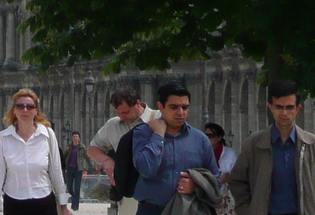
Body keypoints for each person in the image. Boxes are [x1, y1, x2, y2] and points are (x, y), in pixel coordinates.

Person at [227, 80, 315, 215]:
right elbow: (238, 181)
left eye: (289, 107)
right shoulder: (254, 144)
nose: (284, 113)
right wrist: (247, 211)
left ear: (298, 109)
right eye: (279, 107)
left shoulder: (312, 144)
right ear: (270, 107)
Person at [131, 83, 218, 215]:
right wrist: (158, 135)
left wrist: (196, 186)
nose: (180, 112)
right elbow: (146, 169)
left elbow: (215, 178)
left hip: (188, 209)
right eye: (174, 107)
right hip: (151, 210)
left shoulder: (200, 140)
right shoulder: (143, 134)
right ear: (161, 106)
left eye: (185, 107)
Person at [0, 90, 71, 215]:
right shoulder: (3, 138)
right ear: (14, 110)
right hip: (14, 202)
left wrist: (64, 207)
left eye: (30, 106)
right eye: (20, 106)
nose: (25, 110)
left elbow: (56, 172)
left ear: (36, 111)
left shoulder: (47, 135)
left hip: (44, 200)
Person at [87, 90, 149, 215]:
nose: (122, 116)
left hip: (153, 191)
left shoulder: (158, 118)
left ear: (138, 103)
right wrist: (107, 161)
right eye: (118, 113)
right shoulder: (113, 124)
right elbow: (92, 149)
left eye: (126, 112)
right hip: (127, 192)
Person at [203, 125, 237, 215]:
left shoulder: (230, 154)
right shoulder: (202, 152)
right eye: (206, 135)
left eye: (212, 136)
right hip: (207, 195)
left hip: (225, 196)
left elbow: (236, 175)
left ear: (219, 137)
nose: (208, 138)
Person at [60, 132, 83, 212]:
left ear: (79, 138)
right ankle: (73, 198)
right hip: (69, 169)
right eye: (74, 137)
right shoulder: (69, 147)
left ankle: (75, 205)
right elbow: (64, 156)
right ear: (72, 138)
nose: (75, 138)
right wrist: (66, 151)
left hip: (78, 169)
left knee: (77, 188)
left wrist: (92, 168)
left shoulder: (82, 147)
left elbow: (87, 157)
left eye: (76, 137)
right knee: (69, 187)